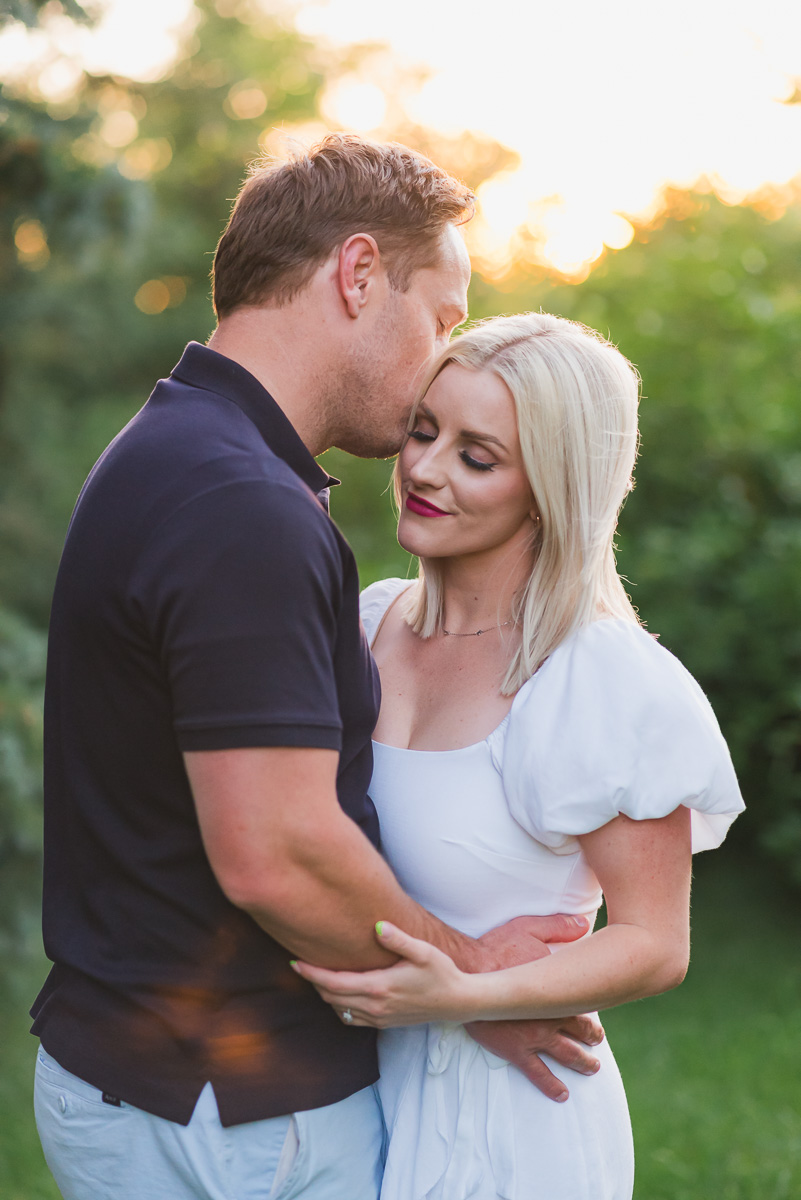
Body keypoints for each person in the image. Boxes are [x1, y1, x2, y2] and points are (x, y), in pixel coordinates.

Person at [31, 139, 606, 1200]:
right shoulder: (241, 504)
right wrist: (474, 978)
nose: (442, 358)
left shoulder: (178, 447)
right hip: (231, 1113)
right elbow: (277, 852)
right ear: (358, 274)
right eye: (442, 317)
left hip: (155, 1078)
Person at [292, 312, 746, 1200]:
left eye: (476, 456)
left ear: (549, 488)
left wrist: (464, 1000)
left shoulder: (598, 676)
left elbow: (654, 944)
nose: (425, 468)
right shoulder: (365, 623)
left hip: (512, 1117)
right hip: (344, 1094)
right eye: (423, 431)